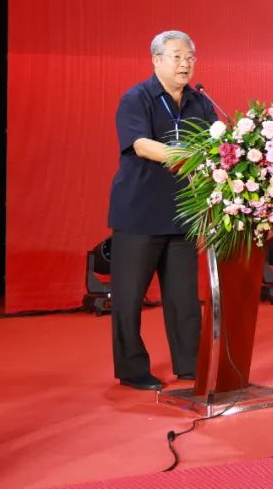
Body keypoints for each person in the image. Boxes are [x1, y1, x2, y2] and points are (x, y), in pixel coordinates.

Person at [107, 30, 217, 390]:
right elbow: (141, 145)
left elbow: (217, 145)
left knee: (184, 297)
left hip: (183, 213)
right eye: (177, 57)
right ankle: (132, 369)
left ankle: (190, 363)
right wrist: (191, 157)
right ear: (156, 60)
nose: (185, 64)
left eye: (190, 57)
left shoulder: (200, 102)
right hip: (139, 212)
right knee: (128, 298)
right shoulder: (136, 98)